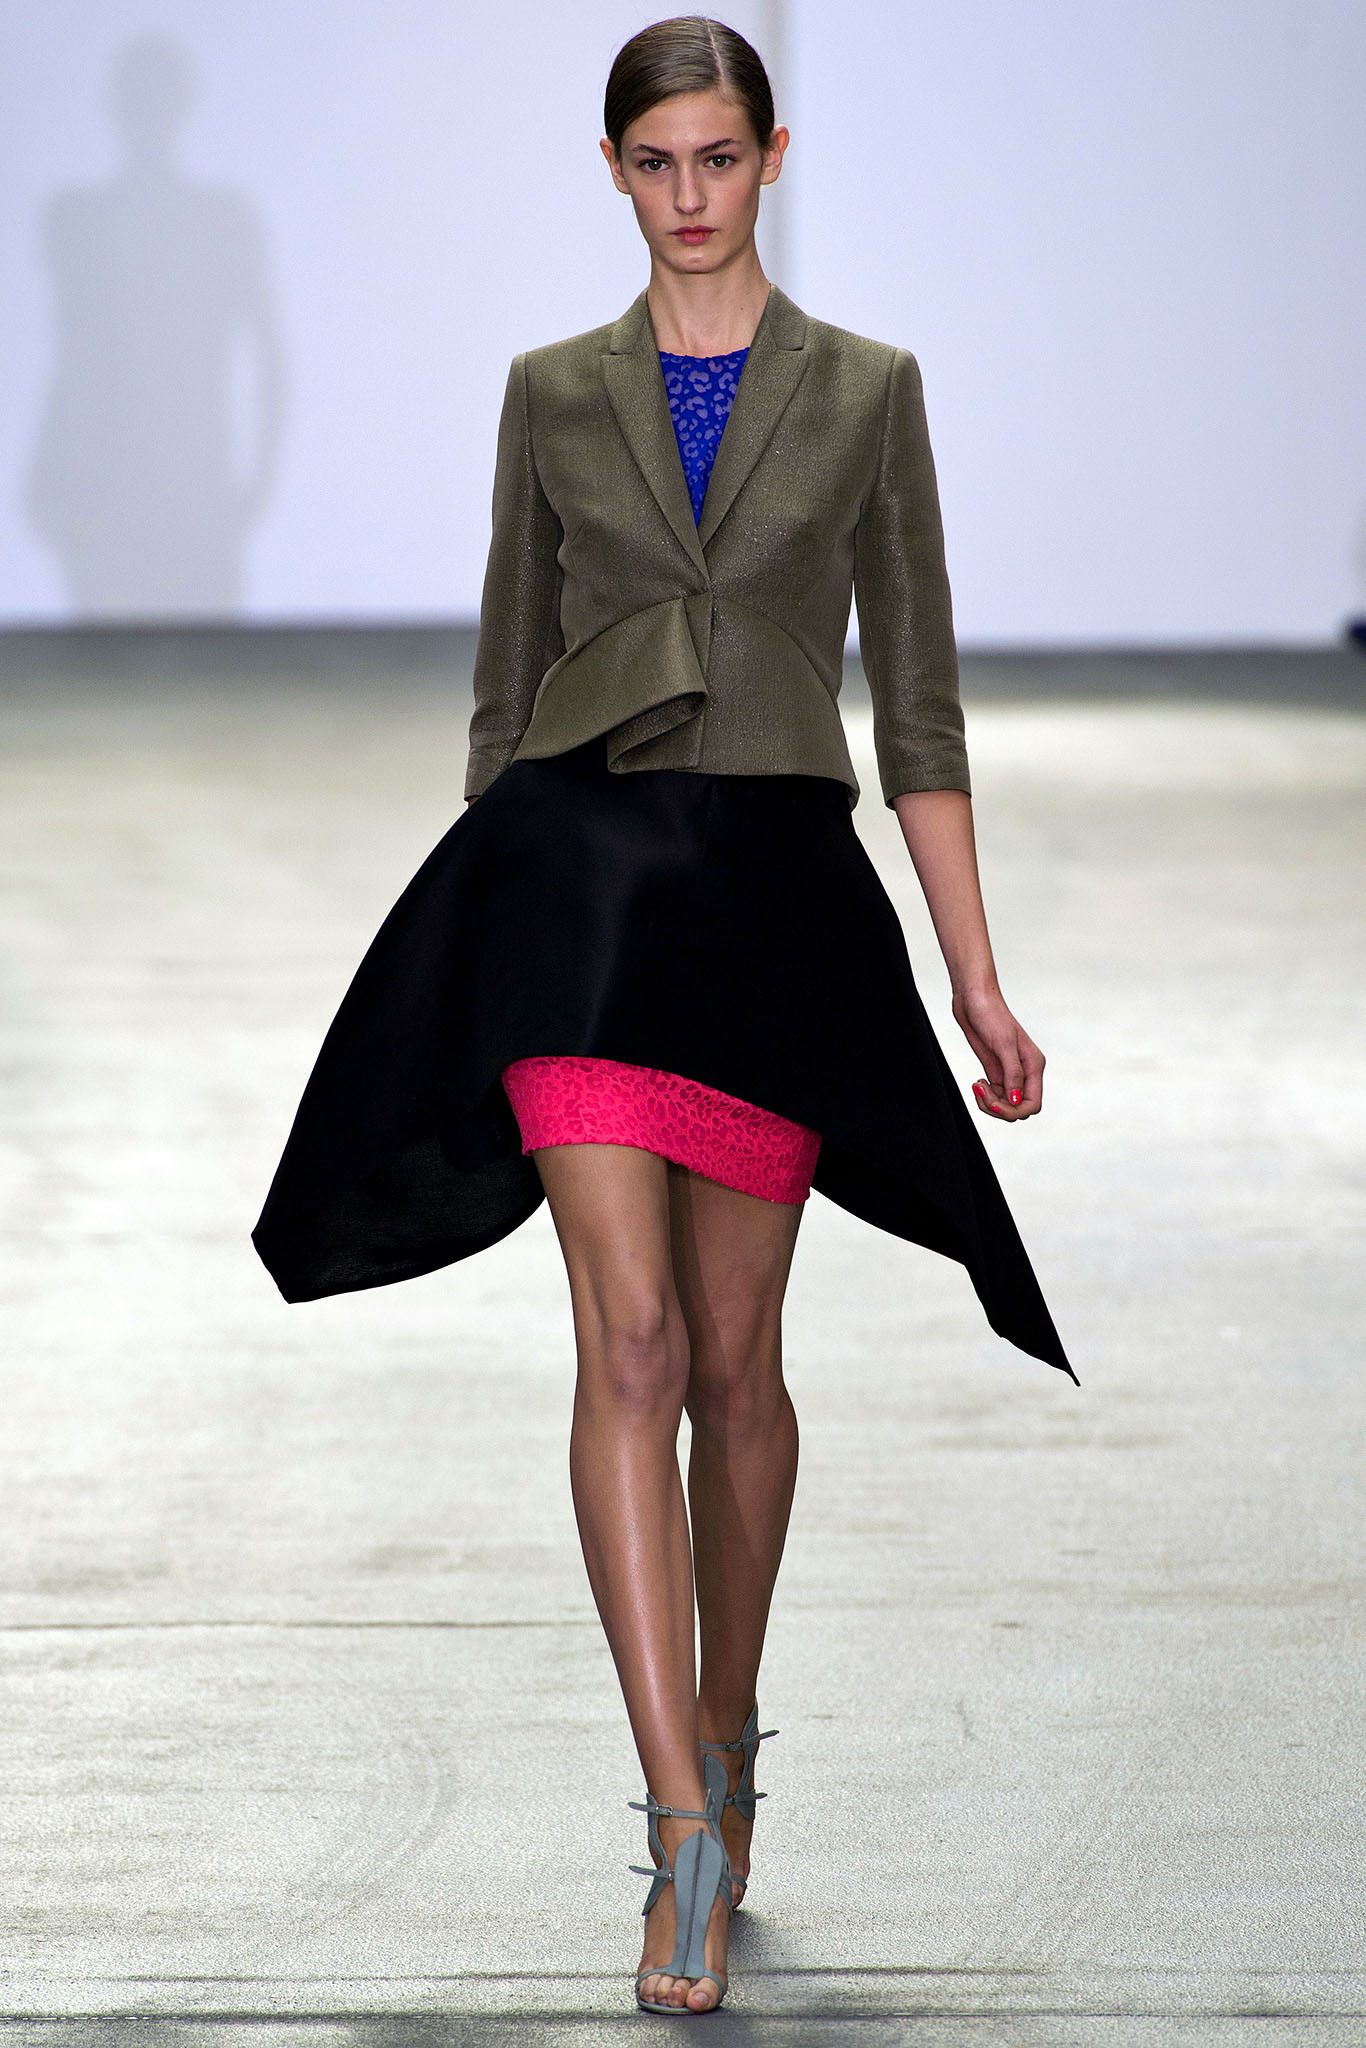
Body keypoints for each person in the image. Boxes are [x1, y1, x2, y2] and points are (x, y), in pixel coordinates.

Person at [252, 13, 1073, 2017]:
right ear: (612, 168)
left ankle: (727, 1718)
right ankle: (679, 1828)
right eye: (655, 161)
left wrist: (969, 972)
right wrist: (475, 930)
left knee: (732, 1360)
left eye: (718, 157)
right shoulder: (552, 391)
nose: (688, 194)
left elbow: (919, 709)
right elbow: (502, 688)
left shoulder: (866, 391)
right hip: (576, 899)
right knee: (625, 1338)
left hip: (772, 907)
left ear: (771, 157)